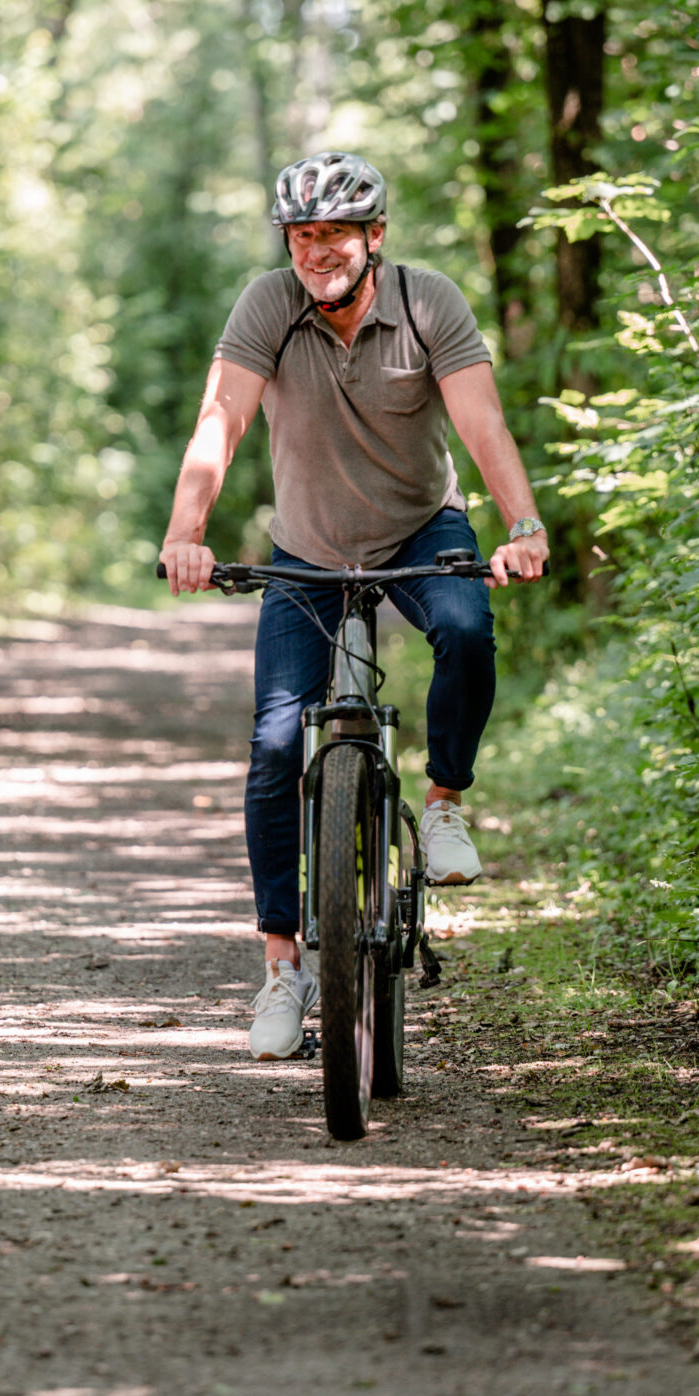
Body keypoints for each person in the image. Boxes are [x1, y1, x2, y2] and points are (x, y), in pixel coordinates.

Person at [158, 153, 550, 1061]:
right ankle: (282, 968)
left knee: (464, 630)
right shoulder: (268, 305)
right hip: (308, 550)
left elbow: (482, 423)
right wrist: (188, 529)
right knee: (270, 746)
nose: (317, 251)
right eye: (302, 236)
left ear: (374, 237)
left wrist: (521, 524)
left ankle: (445, 802)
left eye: (335, 233)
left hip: (421, 530)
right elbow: (221, 419)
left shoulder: (427, 303)